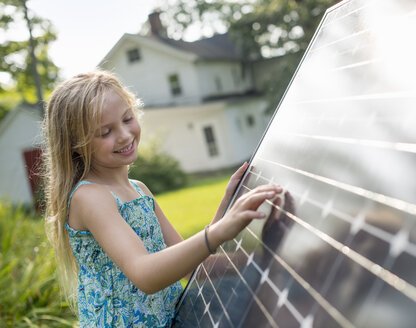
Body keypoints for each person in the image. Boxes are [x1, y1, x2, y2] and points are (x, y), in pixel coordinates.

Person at [42, 69, 282, 327]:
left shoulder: (140, 190)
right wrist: (217, 233)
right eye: (105, 132)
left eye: (127, 118)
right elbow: (145, 274)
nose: (124, 135)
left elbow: (194, 269)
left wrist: (229, 212)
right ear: (77, 144)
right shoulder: (89, 197)